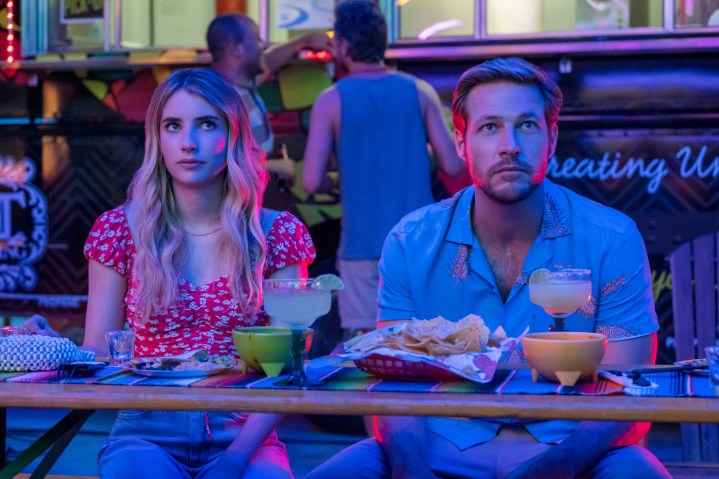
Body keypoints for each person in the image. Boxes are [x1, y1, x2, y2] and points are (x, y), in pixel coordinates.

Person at [306, 58, 671, 479]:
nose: (510, 145)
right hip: (437, 445)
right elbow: (394, 387)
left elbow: (631, 393)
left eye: (527, 126)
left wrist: (560, 466)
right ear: (460, 143)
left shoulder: (611, 238)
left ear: (552, 139)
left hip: (574, 447)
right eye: (489, 127)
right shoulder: (411, 241)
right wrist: (409, 467)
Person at [28, 68, 316, 479]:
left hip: (244, 429)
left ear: (232, 135)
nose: (188, 142)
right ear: (157, 138)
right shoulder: (119, 230)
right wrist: (50, 347)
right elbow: (99, 353)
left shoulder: (278, 234)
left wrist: (235, 460)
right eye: (173, 126)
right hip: (145, 429)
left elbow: (287, 368)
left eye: (206, 124)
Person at [301, 0, 464, 335]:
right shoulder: (419, 91)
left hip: (361, 246)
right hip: (420, 244)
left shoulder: (331, 100)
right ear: (383, 41)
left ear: (343, 45)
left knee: (365, 344)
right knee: (424, 338)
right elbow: (451, 162)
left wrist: (343, 175)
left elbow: (310, 180)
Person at [207, 12, 332, 186]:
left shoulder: (242, 84)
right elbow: (210, 162)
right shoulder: (214, 100)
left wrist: (305, 41)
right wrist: (273, 166)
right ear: (236, 49)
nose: (263, 45)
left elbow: (269, 62)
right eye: (257, 39)